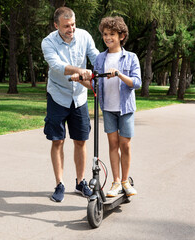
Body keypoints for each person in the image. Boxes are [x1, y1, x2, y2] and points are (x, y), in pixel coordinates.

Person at [41, 7, 99, 202]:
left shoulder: (84, 36)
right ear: (56, 25)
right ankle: (59, 184)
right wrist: (82, 70)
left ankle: (81, 182)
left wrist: (105, 66)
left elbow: (96, 57)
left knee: (81, 140)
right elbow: (56, 66)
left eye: (73, 24)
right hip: (58, 95)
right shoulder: (48, 42)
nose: (71, 29)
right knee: (57, 140)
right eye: (66, 26)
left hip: (79, 97)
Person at [82, 16, 141, 197]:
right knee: (113, 144)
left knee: (126, 145)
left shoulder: (130, 57)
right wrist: (82, 80)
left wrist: (119, 75)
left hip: (125, 108)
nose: (108, 38)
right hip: (108, 107)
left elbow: (136, 83)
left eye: (112, 34)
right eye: (105, 34)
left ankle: (125, 181)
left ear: (122, 36)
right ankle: (115, 182)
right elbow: (95, 85)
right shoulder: (100, 58)